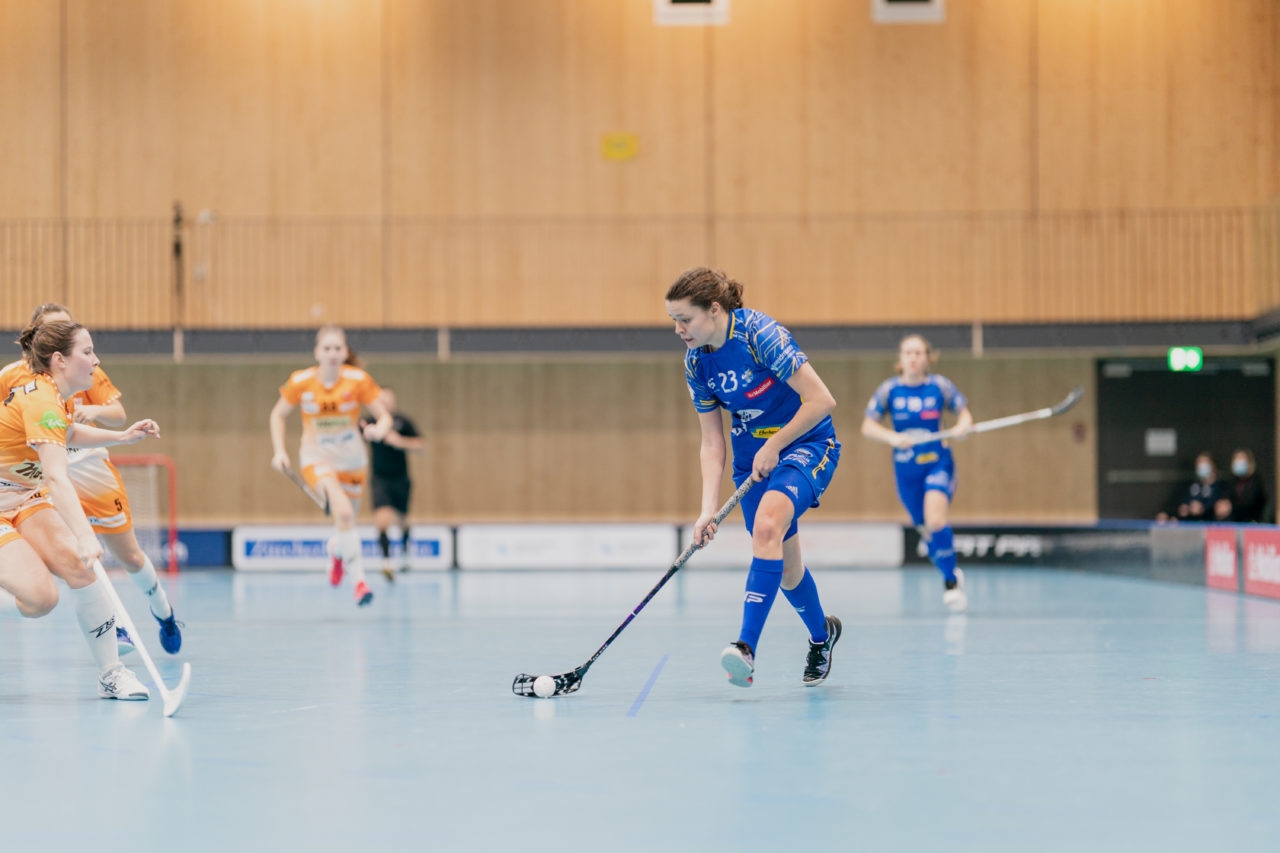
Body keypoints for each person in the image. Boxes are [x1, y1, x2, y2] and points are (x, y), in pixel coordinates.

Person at [666, 267, 843, 689]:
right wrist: (707, 510)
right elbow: (711, 443)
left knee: (766, 526)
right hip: (753, 465)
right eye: (673, 320)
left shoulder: (760, 335)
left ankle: (745, 648)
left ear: (714, 310)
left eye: (685, 319)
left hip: (806, 446)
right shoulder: (697, 364)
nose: (678, 329)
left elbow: (822, 400)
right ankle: (823, 637)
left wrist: (776, 443)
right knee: (785, 568)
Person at [2, 303, 182, 655]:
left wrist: (112, 426)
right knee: (74, 557)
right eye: (57, 331)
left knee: (128, 555)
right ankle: (114, 634)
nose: (90, 354)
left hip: (89, 470)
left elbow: (100, 419)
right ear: (50, 351)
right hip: (41, 477)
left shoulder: (85, 371)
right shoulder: (17, 378)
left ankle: (164, 611)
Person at [269, 326, 393, 606]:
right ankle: (360, 583)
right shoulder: (301, 381)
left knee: (344, 524)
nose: (333, 354)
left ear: (345, 352)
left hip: (353, 462)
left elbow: (383, 417)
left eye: (338, 349)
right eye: (327, 349)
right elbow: (277, 415)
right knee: (345, 514)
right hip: (316, 460)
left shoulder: (357, 380)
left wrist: (378, 430)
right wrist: (279, 451)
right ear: (317, 353)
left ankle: (336, 552)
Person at [861, 334, 973, 612]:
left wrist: (962, 427)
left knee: (936, 521)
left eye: (919, 353)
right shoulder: (889, 390)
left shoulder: (940, 386)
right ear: (900, 359)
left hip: (937, 464)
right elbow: (868, 427)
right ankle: (951, 571)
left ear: (927, 358)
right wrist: (891, 438)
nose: (913, 358)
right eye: (908, 353)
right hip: (906, 472)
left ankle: (950, 582)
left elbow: (965, 415)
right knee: (929, 534)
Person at [361, 387, 424, 581]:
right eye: (382, 400)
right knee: (382, 519)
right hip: (380, 479)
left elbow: (421, 445)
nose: (386, 403)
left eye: (389, 399)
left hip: (401, 479)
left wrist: (399, 442)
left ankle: (404, 554)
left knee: (402, 520)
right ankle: (386, 562)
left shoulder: (402, 422)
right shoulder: (368, 422)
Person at [1156, 452, 1230, 523]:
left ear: (1213, 466)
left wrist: (1202, 508)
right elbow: (1182, 505)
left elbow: (1220, 507)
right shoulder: (1194, 486)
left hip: (1211, 526)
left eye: (1204, 463)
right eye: (1199, 463)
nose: (1201, 466)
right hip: (1192, 526)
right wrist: (1182, 510)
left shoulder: (1221, 487)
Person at [1226, 448, 1269, 523]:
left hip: (1252, 523)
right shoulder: (1231, 481)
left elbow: (1251, 504)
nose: (1238, 463)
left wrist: (1231, 507)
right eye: (1236, 459)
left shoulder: (1256, 481)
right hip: (1234, 523)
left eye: (1241, 459)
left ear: (1249, 462)